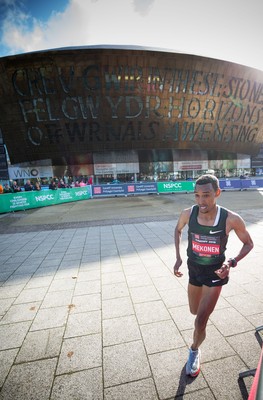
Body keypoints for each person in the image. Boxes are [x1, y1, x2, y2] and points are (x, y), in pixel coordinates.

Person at [173, 174, 254, 378]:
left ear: (217, 193)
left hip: (216, 274)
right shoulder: (187, 213)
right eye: (197, 195)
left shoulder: (231, 219)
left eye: (206, 195)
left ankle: (194, 350)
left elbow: (249, 243)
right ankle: (201, 324)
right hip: (194, 270)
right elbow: (178, 230)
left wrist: (231, 262)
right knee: (194, 311)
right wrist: (178, 258)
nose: (201, 201)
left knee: (200, 320)